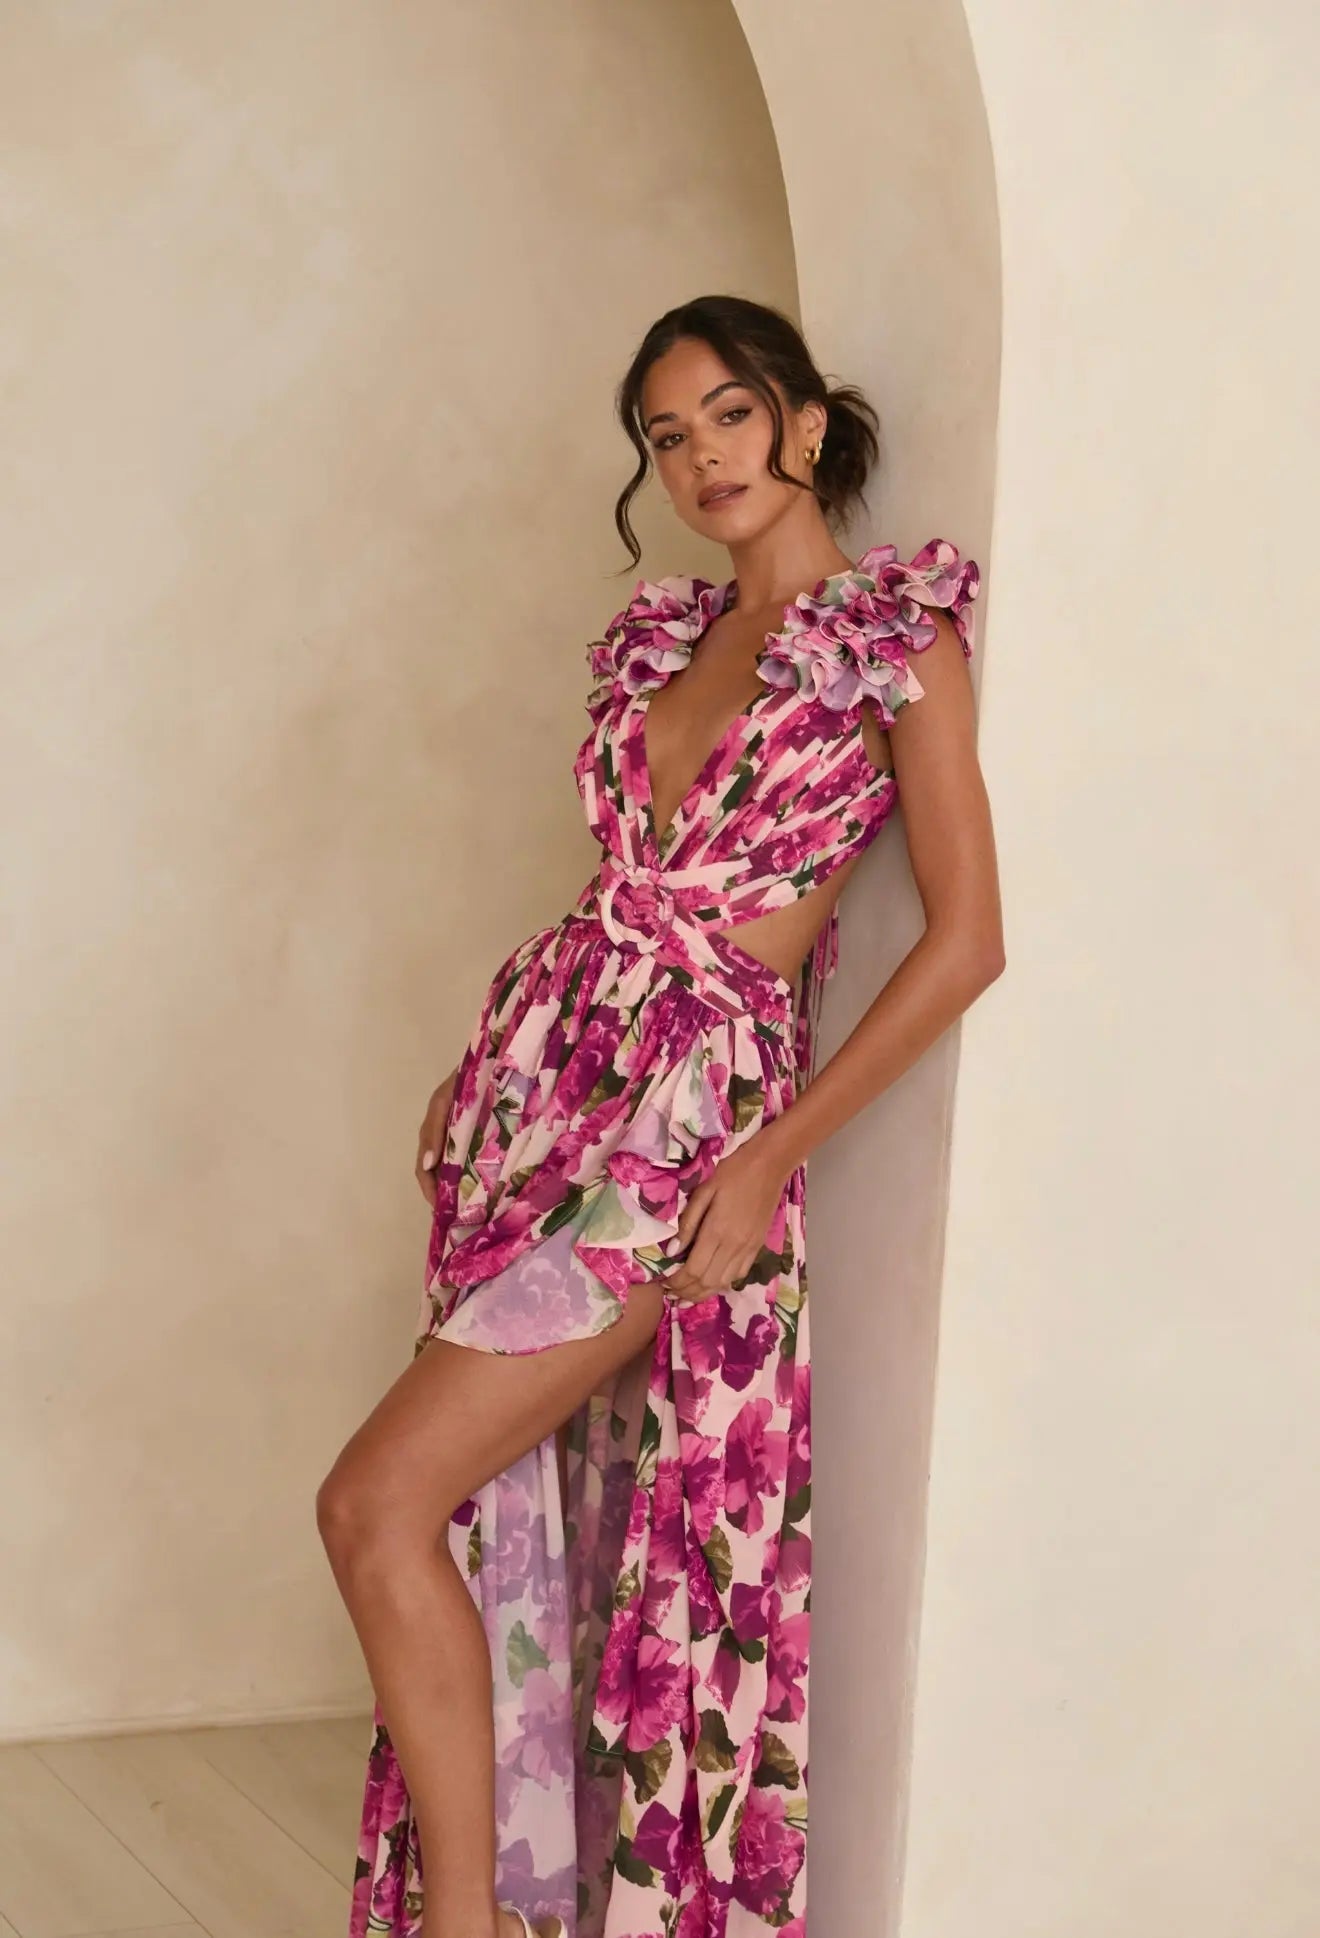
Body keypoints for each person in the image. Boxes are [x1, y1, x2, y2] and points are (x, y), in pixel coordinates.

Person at [318, 293, 1004, 1938]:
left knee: (377, 1500)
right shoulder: (669, 642)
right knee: (481, 1511)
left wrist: (773, 1154)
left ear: (807, 421)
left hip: (687, 1126)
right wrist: (489, 1059)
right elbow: (619, 896)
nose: (702, 458)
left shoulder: (891, 642)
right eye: (668, 435)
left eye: (731, 414)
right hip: (545, 1087)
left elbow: (969, 938)